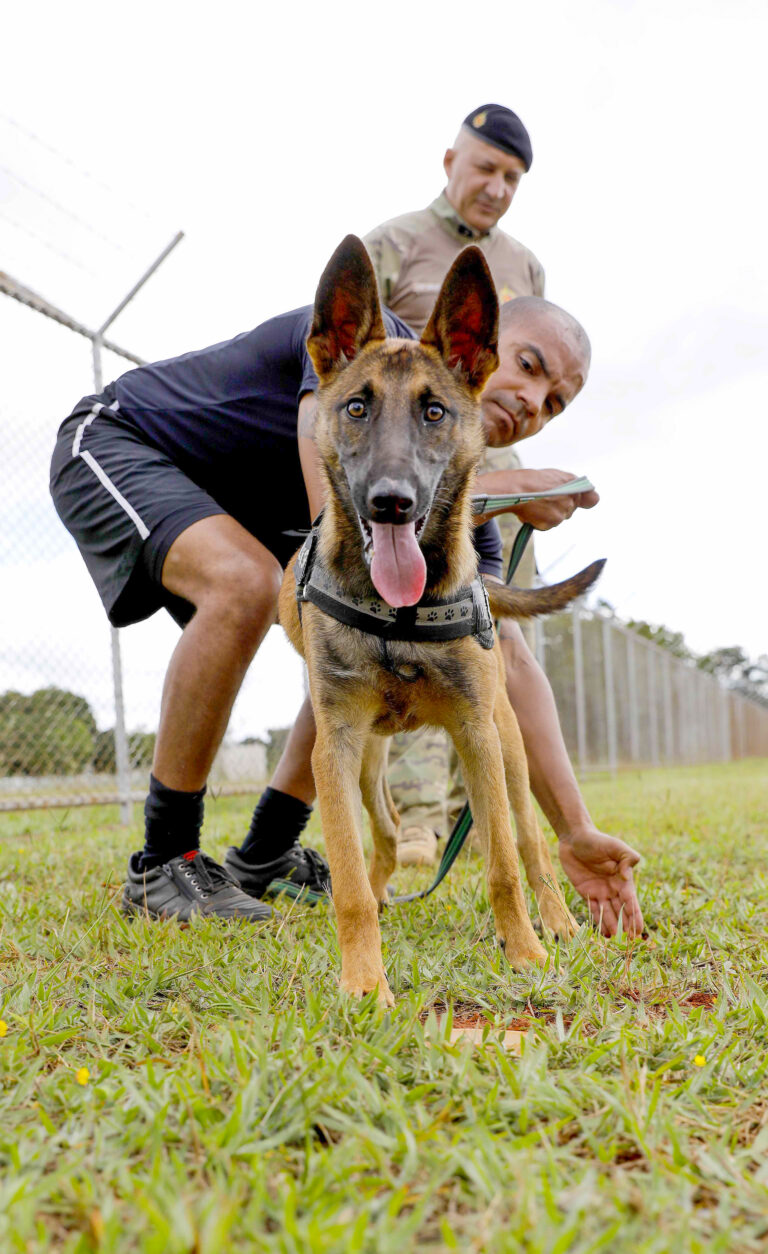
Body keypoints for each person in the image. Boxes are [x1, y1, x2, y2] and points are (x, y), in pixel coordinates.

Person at [262, 296, 645, 938]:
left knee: (487, 707)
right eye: (529, 366)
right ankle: (324, 854)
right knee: (347, 733)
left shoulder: (480, 466)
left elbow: (508, 656)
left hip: (433, 581)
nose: (531, 401)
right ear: (490, 347)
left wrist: (574, 830)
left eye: (554, 403)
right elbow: (330, 502)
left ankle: (537, 886)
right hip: (338, 575)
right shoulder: (383, 366)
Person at [364, 103, 544, 862]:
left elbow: (527, 367)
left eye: (512, 177)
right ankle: (416, 817)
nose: (498, 188)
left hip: (491, 476)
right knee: (408, 636)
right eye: (486, 168)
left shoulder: (525, 266)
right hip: (409, 480)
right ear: (450, 161)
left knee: (501, 642)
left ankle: (491, 814)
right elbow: (351, 370)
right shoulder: (396, 243)